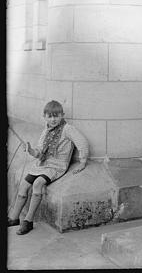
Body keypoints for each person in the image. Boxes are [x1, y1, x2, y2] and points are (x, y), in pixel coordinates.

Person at [8, 100, 89, 235]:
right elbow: (39, 152)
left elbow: (82, 142)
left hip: (56, 166)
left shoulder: (68, 129)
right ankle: (14, 218)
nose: (53, 119)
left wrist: (83, 161)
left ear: (62, 115)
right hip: (42, 164)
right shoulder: (46, 130)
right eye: (50, 116)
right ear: (44, 117)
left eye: (56, 116)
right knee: (23, 185)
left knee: (38, 183)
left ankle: (28, 221)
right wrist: (30, 150)